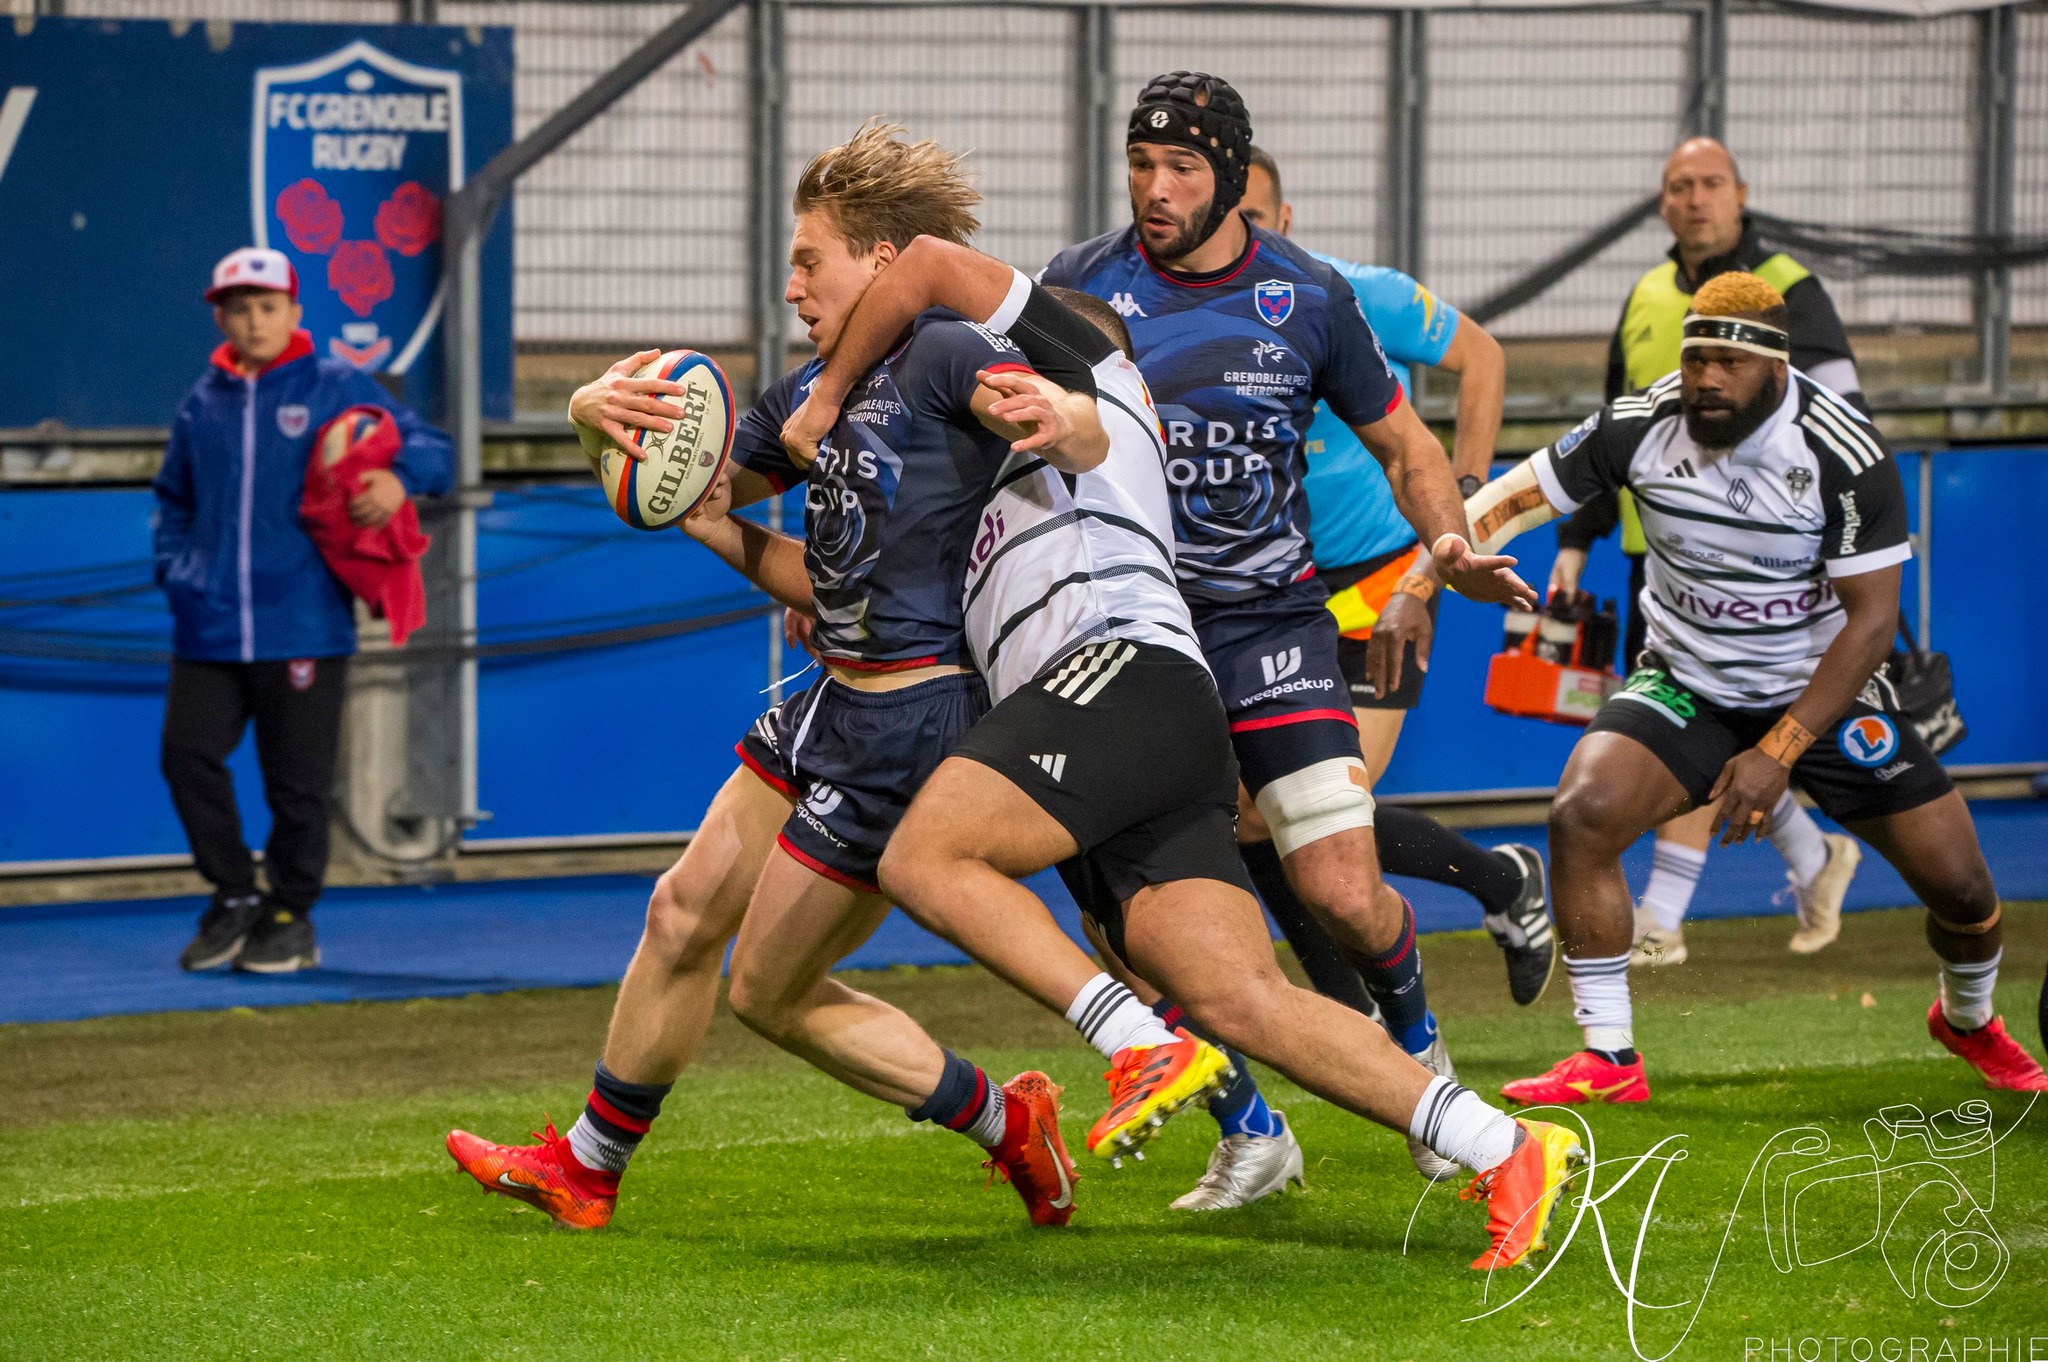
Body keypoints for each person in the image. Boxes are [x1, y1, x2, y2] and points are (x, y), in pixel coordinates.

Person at [446, 122, 1200, 1234]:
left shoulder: (945, 353)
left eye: (810, 259)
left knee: (766, 992)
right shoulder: (818, 388)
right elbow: (708, 495)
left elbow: (1057, 417)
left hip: (915, 725)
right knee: (681, 911)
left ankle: (1004, 1121)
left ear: (882, 260)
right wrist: (589, 412)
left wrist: (1067, 421)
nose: (791, 283)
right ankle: (586, 1167)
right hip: (832, 700)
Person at [783, 247, 1587, 1273]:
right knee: (1243, 999)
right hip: (1144, 718)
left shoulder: (1100, 395)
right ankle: (1505, 1146)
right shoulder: (996, 465)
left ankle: (1133, 1043)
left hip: (1115, 678)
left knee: (923, 859)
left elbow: (945, 277)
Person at [1033, 71, 1533, 1189]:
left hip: (1270, 629)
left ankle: (1420, 1061)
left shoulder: (1307, 297)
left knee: (1342, 893)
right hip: (1129, 636)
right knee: (1130, 930)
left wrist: (1446, 540)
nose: (1153, 190)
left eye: (1180, 169)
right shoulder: (1073, 285)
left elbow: (1405, 448)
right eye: (1138, 164)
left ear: (1229, 180)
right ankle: (1250, 1129)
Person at [1421, 271, 2048, 1104]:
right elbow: (1498, 507)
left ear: (1778, 367)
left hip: (1825, 688)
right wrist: (1422, 584)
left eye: (1728, 363)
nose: (1706, 380)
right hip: (1687, 680)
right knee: (1582, 812)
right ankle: (1609, 1059)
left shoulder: (1842, 451)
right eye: (1695, 359)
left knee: (1965, 891)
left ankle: (1966, 1021)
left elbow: (1869, 627)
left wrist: (1779, 751)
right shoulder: (1639, 425)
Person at [1232, 144, 1556, 1017]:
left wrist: (1463, 510)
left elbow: (1482, 358)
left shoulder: (1352, 292)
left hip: (1387, 578)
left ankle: (1466, 910)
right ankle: (1374, 991)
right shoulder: (1193, 317)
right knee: (1256, 814)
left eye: (1255, 214)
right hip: (1278, 591)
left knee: (1321, 807)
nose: (1240, 229)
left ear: (1285, 220)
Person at [1550, 137, 1864, 967]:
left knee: (1691, 727)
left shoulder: (1791, 288)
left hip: (1777, 569)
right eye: (1680, 186)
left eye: (1711, 184)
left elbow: (1846, 418)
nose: (1696, 199)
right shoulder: (1648, 293)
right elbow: (1608, 423)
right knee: (1687, 732)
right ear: (1662, 203)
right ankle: (1810, 857)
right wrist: (1574, 542)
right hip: (1658, 555)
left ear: (1740, 193)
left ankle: (1662, 915)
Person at [156, 247, 451, 975]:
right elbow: (173, 501)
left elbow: (432, 449)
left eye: (266, 307)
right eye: (238, 308)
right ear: (220, 316)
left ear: (293, 312)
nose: (252, 321)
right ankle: (232, 897)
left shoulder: (334, 384)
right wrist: (175, 572)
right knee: (186, 754)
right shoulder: (202, 402)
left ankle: (289, 913)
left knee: (298, 784)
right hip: (210, 623)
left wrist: (396, 477)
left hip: (305, 624)